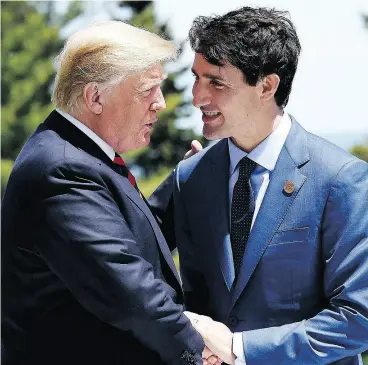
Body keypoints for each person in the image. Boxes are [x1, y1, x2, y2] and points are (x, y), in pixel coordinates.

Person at [150, 7, 368, 365]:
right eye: (196, 78)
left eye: (216, 82)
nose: (197, 97)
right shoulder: (190, 177)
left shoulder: (342, 179)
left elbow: (358, 319)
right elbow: (137, 253)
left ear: (266, 86)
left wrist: (242, 350)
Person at [1, 20, 212, 365]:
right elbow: (131, 292)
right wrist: (199, 351)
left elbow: (129, 236)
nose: (160, 103)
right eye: (147, 91)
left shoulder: (75, 153)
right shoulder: (62, 169)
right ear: (95, 97)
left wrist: (185, 181)